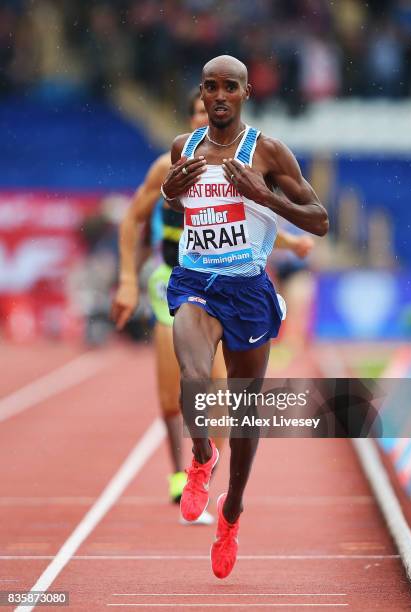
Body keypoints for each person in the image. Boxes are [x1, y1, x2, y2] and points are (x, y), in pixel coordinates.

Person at [160, 55, 328, 578]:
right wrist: (170, 191)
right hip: (195, 281)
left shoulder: (268, 151)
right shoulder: (181, 149)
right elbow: (173, 205)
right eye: (210, 87)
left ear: (245, 92)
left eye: (229, 87)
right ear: (202, 94)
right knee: (193, 379)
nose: (218, 97)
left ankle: (231, 511)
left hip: (247, 290)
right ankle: (202, 456)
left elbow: (319, 220)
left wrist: (262, 194)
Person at [111, 91, 314, 521]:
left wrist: (290, 238)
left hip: (234, 285)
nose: (211, 119)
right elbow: (133, 218)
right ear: (191, 117)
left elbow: (238, 219)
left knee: (226, 397)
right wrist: (128, 279)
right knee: (182, 387)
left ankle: (217, 483)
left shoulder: (252, 157)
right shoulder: (171, 162)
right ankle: (182, 470)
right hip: (177, 278)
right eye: (201, 112)